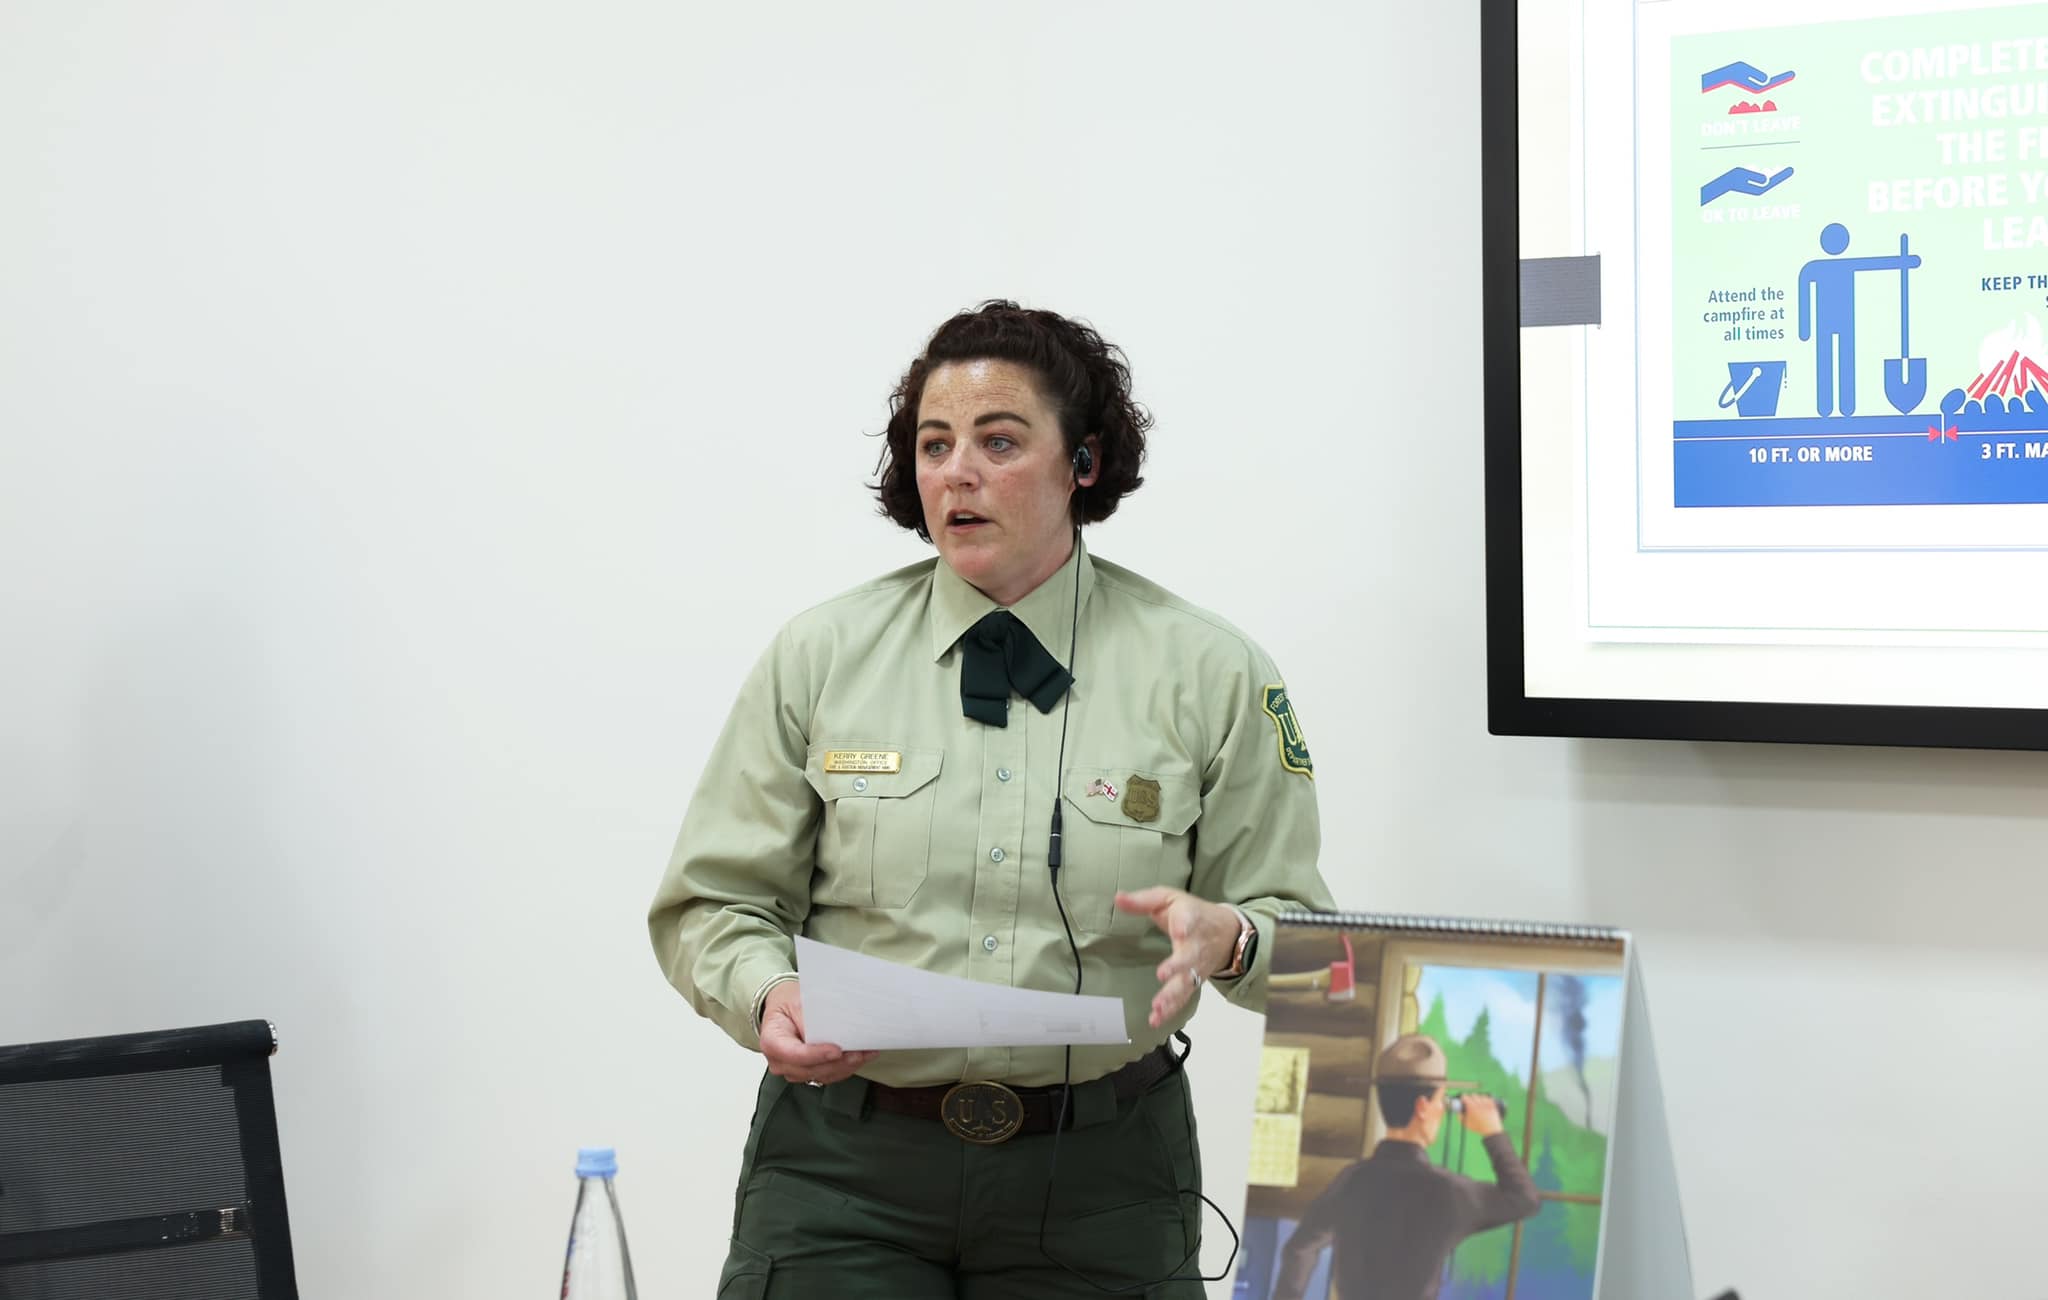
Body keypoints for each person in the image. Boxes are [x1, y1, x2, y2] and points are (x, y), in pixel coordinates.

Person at [648, 300, 1335, 1298]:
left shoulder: (1212, 672)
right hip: (844, 1173)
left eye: (998, 441)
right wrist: (765, 991)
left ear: (1083, 462)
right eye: (934, 445)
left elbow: (1310, 953)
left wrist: (1231, 939)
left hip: (1102, 1174)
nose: (956, 472)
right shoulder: (820, 656)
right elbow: (714, 901)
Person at [1269, 1034, 1541, 1300]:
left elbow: (1299, 1249)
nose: (1442, 1110)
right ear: (1422, 1107)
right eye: (1441, 1101)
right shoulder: (1447, 1191)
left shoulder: (1352, 1180)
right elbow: (1524, 1199)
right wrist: (1493, 1132)